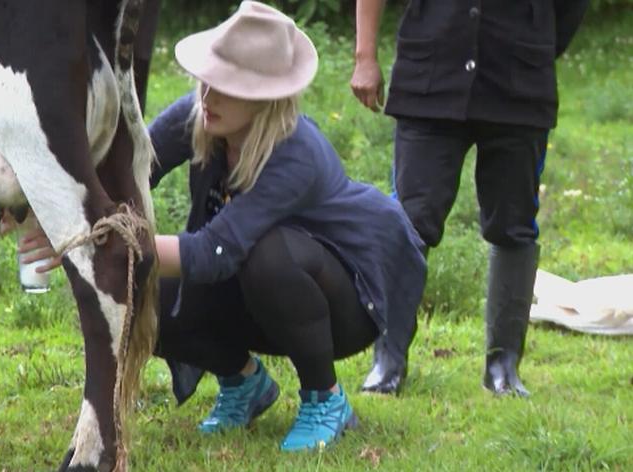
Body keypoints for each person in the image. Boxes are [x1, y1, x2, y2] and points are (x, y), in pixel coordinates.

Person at [21, 1, 426, 451]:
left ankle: (325, 398)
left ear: (264, 95)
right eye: (207, 82)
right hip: (259, 293)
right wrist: (63, 214)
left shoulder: (296, 153)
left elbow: (215, 252)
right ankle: (244, 383)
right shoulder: (202, 114)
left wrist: (101, 239)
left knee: (269, 255)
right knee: (137, 285)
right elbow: (128, 172)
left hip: (346, 303)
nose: (208, 97)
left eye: (227, 87)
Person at [350, 0, 590, 396]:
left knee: (513, 226)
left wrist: (536, 47)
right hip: (429, 76)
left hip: (520, 84)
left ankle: (503, 366)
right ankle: (388, 361)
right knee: (410, 219)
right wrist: (365, 56)